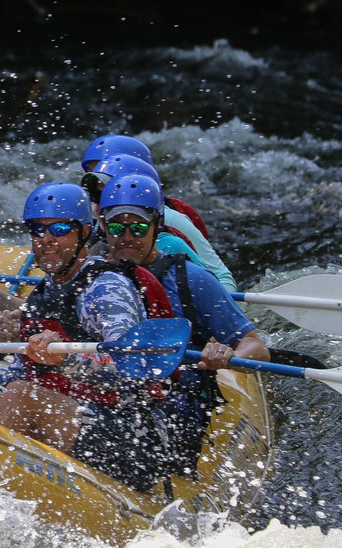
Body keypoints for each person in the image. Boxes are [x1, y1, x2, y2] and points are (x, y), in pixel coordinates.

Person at [0, 182, 169, 492]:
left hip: (128, 433)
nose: (46, 241)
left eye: (59, 229)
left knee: (21, 397)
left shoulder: (105, 289)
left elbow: (132, 367)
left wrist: (69, 360)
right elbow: (22, 374)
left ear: (84, 232)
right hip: (72, 415)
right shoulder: (44, 295)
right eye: (37, 230)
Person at [98, 173, 270, 479]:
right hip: (117, 390)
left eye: (137, 227)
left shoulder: (192, 280)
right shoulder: (95, 278)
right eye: (116, 227)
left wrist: (228, 354)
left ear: (156, 225)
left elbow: (255, 346)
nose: (126, 236)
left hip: (182, 398)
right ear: (102, 227)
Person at [83, 152, 238, 292]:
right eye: (97, 195)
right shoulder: (101, 227)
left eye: (109, 193)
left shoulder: (170, 227)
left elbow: (220, 278)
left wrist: (222, 303)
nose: (99, 203)